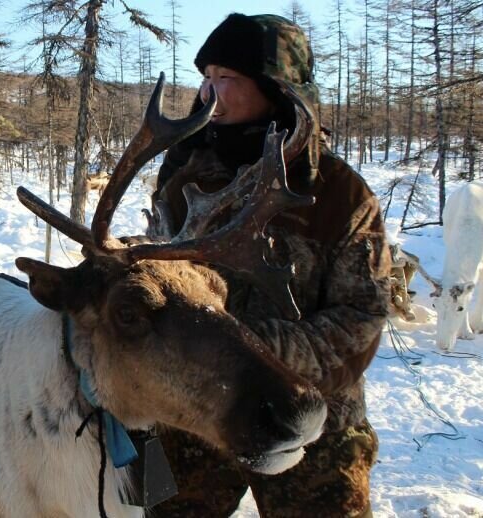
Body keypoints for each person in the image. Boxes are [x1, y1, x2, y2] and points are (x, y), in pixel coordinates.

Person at [150, 14, 390, 517]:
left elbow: (361, 318)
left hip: (310, 414)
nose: (209, 91)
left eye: (228, 79)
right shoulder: (184, 172)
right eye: (207, 76)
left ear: (275, 89)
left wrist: (252, 349)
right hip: (193, 406)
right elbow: (164, 278)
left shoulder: (340, 193)